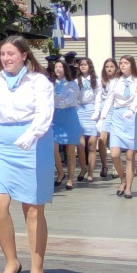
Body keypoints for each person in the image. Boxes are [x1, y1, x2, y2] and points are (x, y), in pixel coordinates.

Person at [0, 36, 54, 273]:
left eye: (11, 54)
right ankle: (11, 261)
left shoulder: (39, 81)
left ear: (24, 55)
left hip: (33, 145)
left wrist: (31, 135)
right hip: (1, 146)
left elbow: (45, 113)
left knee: (33, 209)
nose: (6, 59)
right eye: (3, 54)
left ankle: (37, 269)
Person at [100, 56, 137, 198]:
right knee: (115, 154)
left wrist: (132, 110)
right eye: (121, 63)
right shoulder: (115, 81)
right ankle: (123, 178)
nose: (122, 65)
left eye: (126, 63)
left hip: (132, 118)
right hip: (117, 116)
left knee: (129, 155)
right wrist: (102, 117)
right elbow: (109, 100)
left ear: (131, 65)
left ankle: (128, 187)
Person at [49, 58, 81, 191]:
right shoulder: (51, 84)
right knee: (54, 147)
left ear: (65, 69)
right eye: (56, 67)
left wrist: (63, 103)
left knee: (70, 149)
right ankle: (60, 172)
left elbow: (72, 97)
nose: (57, 69)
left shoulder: (72, 83)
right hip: (55, 116)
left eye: (60, 67)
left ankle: (70, 179)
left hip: (69, 115)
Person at [72, 57, 99, 182]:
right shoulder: (75, 81)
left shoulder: (96, 81)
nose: (83, 66)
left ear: (90, 66)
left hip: (92, 111)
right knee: (81, 145)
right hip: (80, 111)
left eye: (85, 64)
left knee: (92, 145)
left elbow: (98, 97)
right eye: (81, 64)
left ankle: (90, 173)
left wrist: (97, 112)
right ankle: (83, 168)